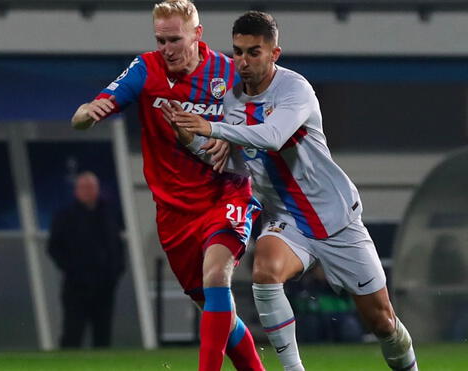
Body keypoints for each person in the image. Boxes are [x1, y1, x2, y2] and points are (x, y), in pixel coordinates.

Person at [167, 11, 418, 371]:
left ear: (274, 54)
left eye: (254, 52)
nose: (244, 61)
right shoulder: (231, 100)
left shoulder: (295, 89)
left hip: (336, 218)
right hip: (289, 220)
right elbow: (239, 163)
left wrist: (210, 126)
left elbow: (273, 137)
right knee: (265, 272)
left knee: (382, 324)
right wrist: (192, 141)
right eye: (238, 52)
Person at [71, 1, 265, 370]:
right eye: (161, 40)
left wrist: (232, 137)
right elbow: (91, 110)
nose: (167, 49)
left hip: (225, 193)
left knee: (217, 275)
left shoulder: (227, 73)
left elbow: (260, 126)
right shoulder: (146, 68)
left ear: (197, 35)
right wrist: (86, 114)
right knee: (211, 303)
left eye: (175, 39)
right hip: (173, 209)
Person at [47, 172, 125, 348]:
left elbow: (117, 246)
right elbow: (54, 247)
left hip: (105, 284)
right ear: (76, 191)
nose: (88, 192)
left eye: (91, 187)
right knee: (73, 331)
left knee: (103, 333)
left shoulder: (108, 214)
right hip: (76, 285)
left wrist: (116, 271)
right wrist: (71, 268)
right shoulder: (66, 216)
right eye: (84, 188)